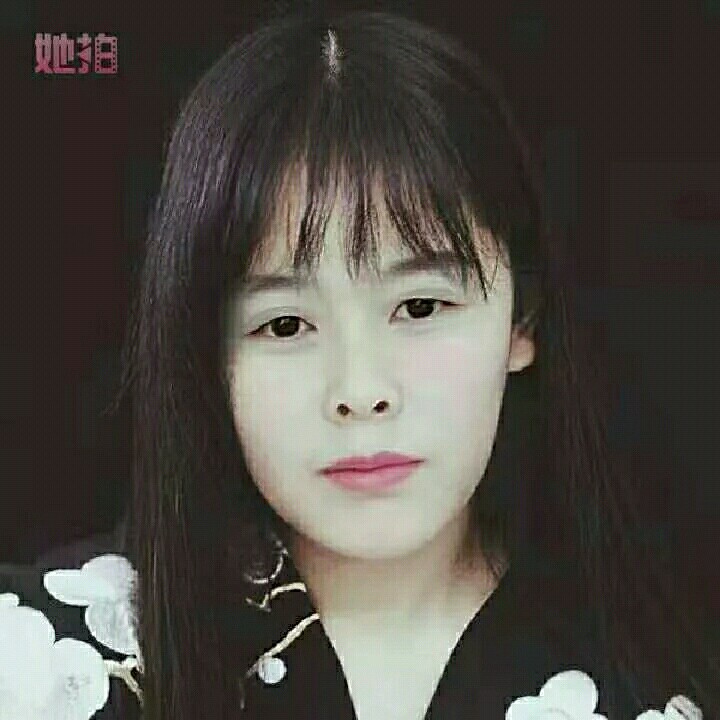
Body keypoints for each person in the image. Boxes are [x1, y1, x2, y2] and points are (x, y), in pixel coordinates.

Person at [2, 7, 717, 720]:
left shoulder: (649, 697)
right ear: (206, 354)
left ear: (521, 321)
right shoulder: (37, 666)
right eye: (285, 324)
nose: (361, 390)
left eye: (421, 307)